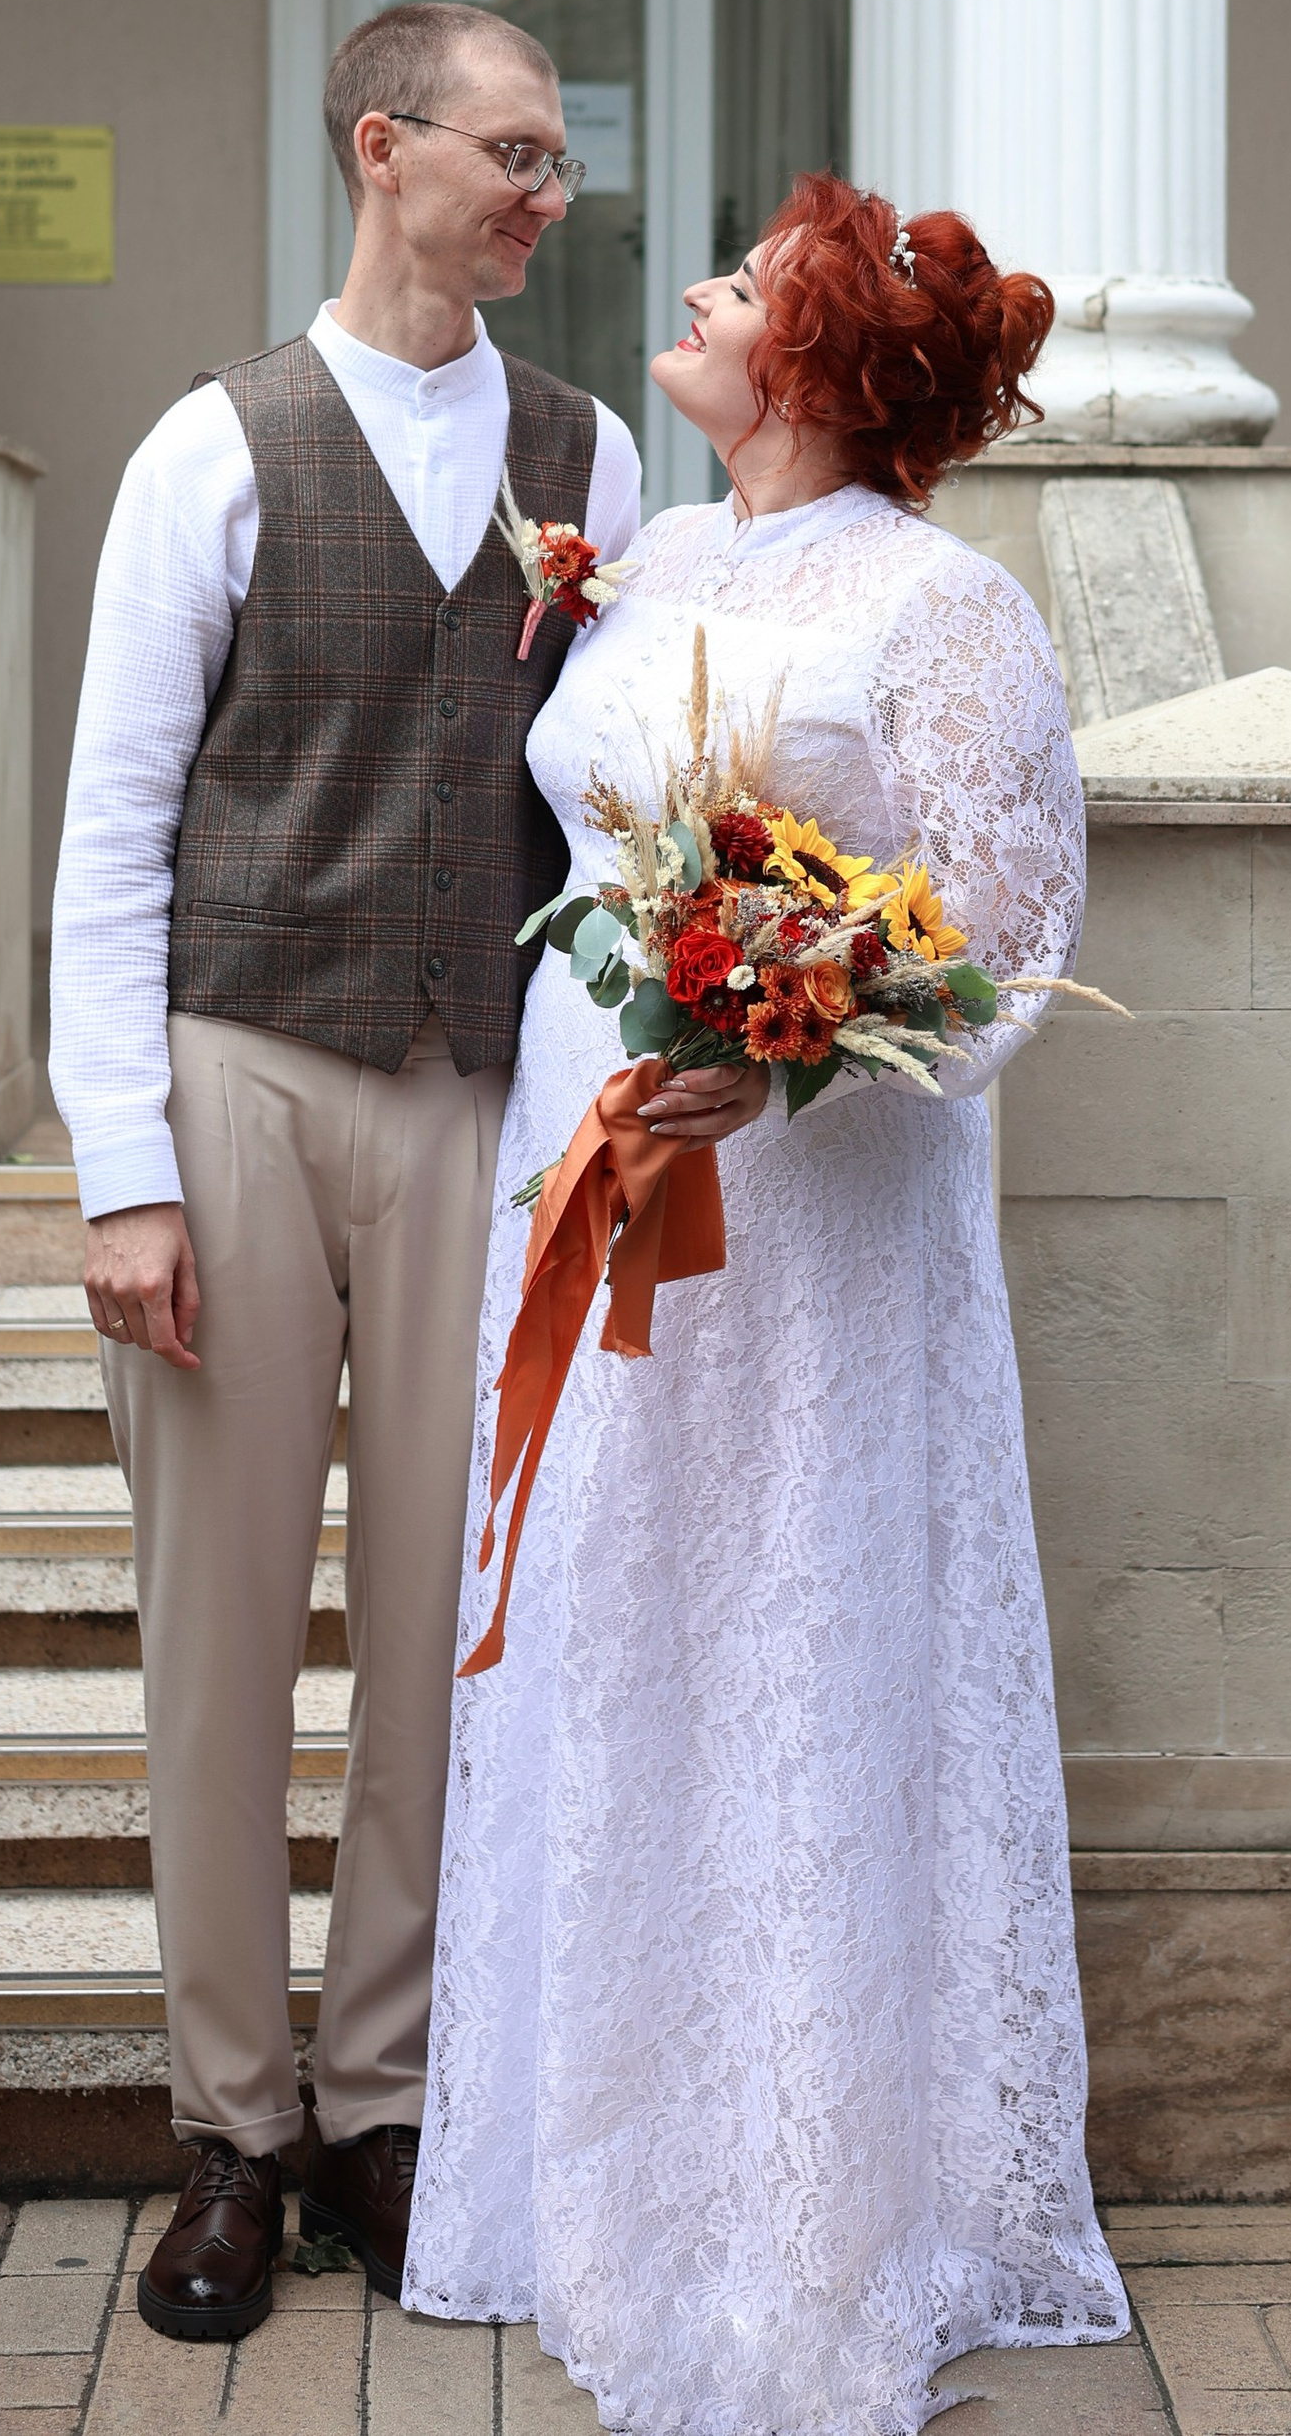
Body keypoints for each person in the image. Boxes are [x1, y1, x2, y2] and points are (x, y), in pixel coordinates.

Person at [404, 170, 1130, 2435]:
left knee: (798, 1631)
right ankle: (593, 2153)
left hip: (814, 1216)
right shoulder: (661, 555)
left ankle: (819, 2202)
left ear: (815, 361)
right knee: (621, 1612)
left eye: (740, 282)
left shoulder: (945, 603)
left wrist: (798, 1039)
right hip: (594, 1149)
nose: (694, 294)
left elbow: (1002, 943)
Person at [48, 0, 642, 2343]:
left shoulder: (592, 451)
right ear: (383, 151)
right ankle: (229, 2121)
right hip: (235, 1075)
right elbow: (111, 822)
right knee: (218, 1636)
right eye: (511, 149)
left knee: (439, 1616)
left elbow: (628, 784)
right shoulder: (208, 446)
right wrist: (122, 1168)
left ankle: (390, 2104)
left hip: (483, 1087)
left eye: (557, 157)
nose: (547, 190)